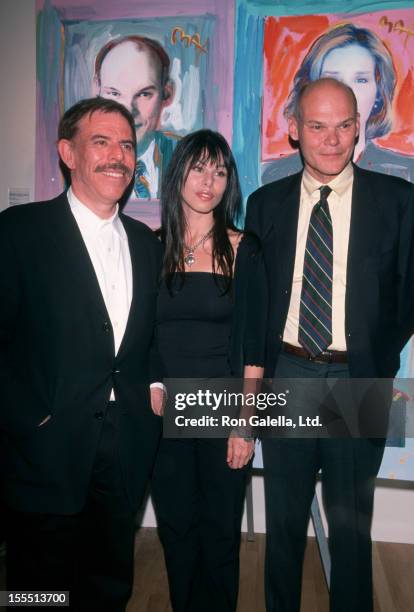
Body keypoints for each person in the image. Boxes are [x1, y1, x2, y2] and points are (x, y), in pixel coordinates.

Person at [245, 78, 414, 611]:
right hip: (288, 376)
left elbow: (408, 294)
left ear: (358, 127)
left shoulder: (398, 201)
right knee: (286, 525)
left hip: (356, 380)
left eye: (344, 125)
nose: (332, 139)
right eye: (317, 126)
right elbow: (256, 302)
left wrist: (378, 360)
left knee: (350, 529)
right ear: (294, 130)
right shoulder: (264, 204)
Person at [0, 97, 165, 611]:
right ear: (67, 152)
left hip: (126, 443)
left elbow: (151, 337)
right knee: (37, 589)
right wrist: (28, 419)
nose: (118, 156)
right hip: (44, 445)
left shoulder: (146, 243)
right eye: (102, 142)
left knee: (108, 579)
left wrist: (154, 391)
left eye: (127, 145)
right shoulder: (19, 232)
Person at [151, 129, 265, 612]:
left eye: (220, 171)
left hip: (221, 410)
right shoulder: (150, 246)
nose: (209, 181)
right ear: (178, 173)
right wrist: (155, 383)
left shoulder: (244, 248)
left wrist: (245, 424)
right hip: (162, 414)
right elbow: (140, 335)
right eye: (198, 168)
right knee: (176, 532)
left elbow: (254, 346)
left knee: (219, 532)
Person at [262, 22, 414, 184]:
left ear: (379, 94)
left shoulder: (406, 174)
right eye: (332, 79)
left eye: (361, 80)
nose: (345, 92)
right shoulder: (274, 176)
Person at [93, 35, 178, 199]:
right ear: (97, 89)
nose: (128, 111)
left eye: (144, 94)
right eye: (114, 93)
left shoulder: (187, 157)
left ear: (167, 94)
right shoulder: (79, 160)